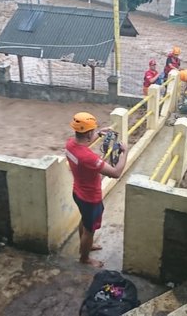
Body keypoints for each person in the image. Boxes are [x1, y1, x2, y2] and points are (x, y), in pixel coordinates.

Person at [65, 112, 128, 268]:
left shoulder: (70, 145)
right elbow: (116, 173)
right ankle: (85, 258)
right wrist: (125, 153)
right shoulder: (89, 158)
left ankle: (85, 245)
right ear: (88, 132)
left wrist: (99, 134)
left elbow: (83, 143)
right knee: (90, 230)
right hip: (90, 198)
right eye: (93, 130)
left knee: (85, 222)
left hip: (78, 192)